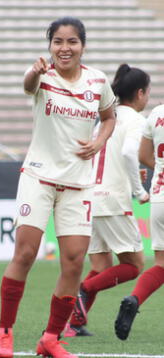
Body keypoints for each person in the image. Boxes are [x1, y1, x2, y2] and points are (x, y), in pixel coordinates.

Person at [0, 17, 116, 358]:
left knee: (74, 262)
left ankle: (50, 339)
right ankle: (4, 333)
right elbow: (28, 85)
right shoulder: (42, 75)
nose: (64, 48)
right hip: (39, 178)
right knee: (26, 253)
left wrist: (98, 142)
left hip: (78, 184)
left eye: (72, 41)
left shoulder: (98, 80)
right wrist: (34, 71)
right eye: (58, 41)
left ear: (82, 46)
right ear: (50, 45)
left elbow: (109, 117)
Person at [63, 64, 150, 338]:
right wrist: (138, 190)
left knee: (101, 267)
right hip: (114, 201)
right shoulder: (136, 119)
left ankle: (72, 324)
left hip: (90, 198)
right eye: (147, 92)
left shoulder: (104, 119)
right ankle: (83, 290)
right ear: (139, 93)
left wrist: (132, 172)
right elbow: (126, 152)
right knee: (134, 265)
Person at [114, 103, 164, 340]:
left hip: (159, 198)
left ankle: (134, 298)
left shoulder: (156, 113)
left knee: (161, 264)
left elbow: (143, 156)